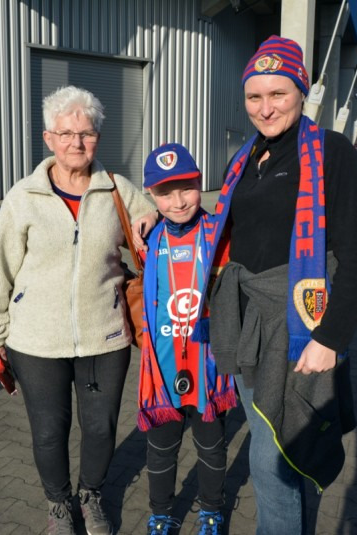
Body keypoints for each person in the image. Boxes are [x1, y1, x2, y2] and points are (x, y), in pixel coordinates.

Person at [133, 35, 357, 534]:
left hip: (296, 324)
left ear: (301, 91)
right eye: (254, 96)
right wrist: (159, 219)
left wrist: (331, 337)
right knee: (280, 449)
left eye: (278, 94)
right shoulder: (245, 159)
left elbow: (356, 254)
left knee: (271, 460)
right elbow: (223, 224)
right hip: (244, 324)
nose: (265, 108)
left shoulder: (331, 153)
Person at [0, 86, 156, 535]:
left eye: (86, 133)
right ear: (49, 138)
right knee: (49, 432)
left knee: (100, 428)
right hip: (36, 340)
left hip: (105, 336)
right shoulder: (24, 196)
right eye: (67, 133)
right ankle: (58, 504)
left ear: (97, 138)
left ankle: (91, 496)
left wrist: (152, 217)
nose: (77, 142)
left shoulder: (116, 189)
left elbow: (156, 215)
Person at [136, 143, 236, 535]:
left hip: (208, 364)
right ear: (150, 194)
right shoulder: (148, 238)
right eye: (165, 193)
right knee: (161, 448)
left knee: (211, 445)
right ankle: (161, 513)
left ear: (200, 183)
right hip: (162, 367)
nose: (178, 202)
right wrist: (148, 216)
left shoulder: (220, 231)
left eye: (187, 189)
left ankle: (211, 510)